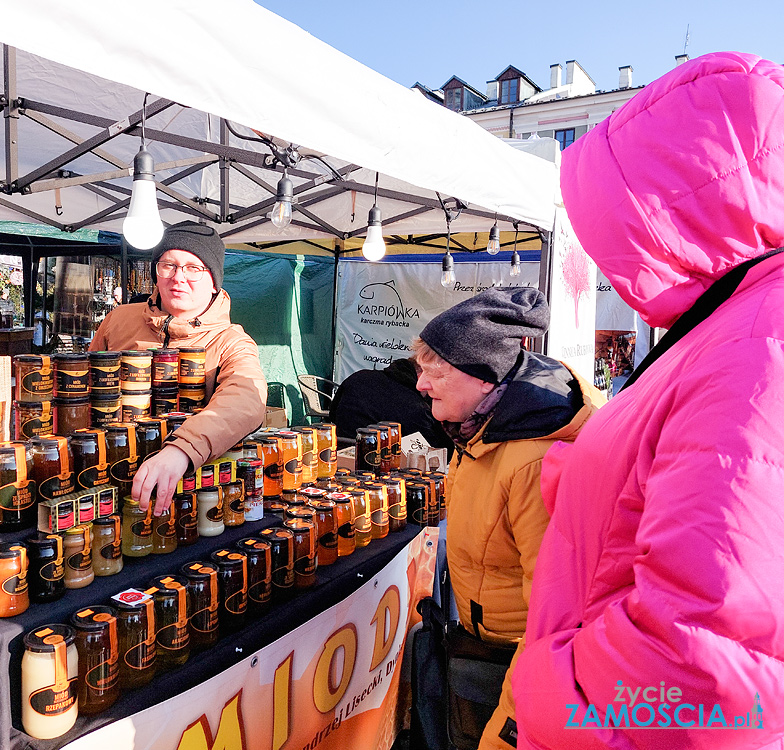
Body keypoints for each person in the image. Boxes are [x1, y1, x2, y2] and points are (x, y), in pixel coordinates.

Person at [513, 52, 784, 749]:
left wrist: (546, 687)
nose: (605, 255)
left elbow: (705, 670)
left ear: (680, 209)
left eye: (617, 220)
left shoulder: (757, 341)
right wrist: (584, 482)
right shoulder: (733, 323)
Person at [412, 287, 603, 750]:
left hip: (513, 670)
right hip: (480, 650)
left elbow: (556, 619)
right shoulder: (479, 428)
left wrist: (509, 731)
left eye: (435, 370)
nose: (420, 384)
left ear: (484, 378)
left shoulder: (532, 462)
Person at [90, 221, 267, 513]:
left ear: (213, 282)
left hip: (187, 487)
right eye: (168, 265)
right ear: (155, 274)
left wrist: (182, 449)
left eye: (193, 268)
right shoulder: (119, 319)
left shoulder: (231, 340)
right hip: (106, 478)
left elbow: (247, 397)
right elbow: (89, 385)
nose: (178, 277)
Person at [329, 357, 453, 450]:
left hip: (340, 452)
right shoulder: (415, 407)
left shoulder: (358, 377)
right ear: (423, 375)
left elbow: (332, 413)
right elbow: (431, 452)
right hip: (375, 467)